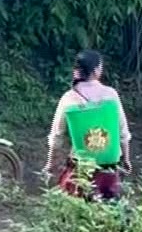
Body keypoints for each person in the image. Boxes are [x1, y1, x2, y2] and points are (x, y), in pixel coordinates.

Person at [45, 50, 132, 200]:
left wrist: (50, 164)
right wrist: (126, 159)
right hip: (109, 168)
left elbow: (56, 137)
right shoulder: (111, 95)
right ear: (97, 70)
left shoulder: (69, 98)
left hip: (81, 168)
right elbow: (123, 133)